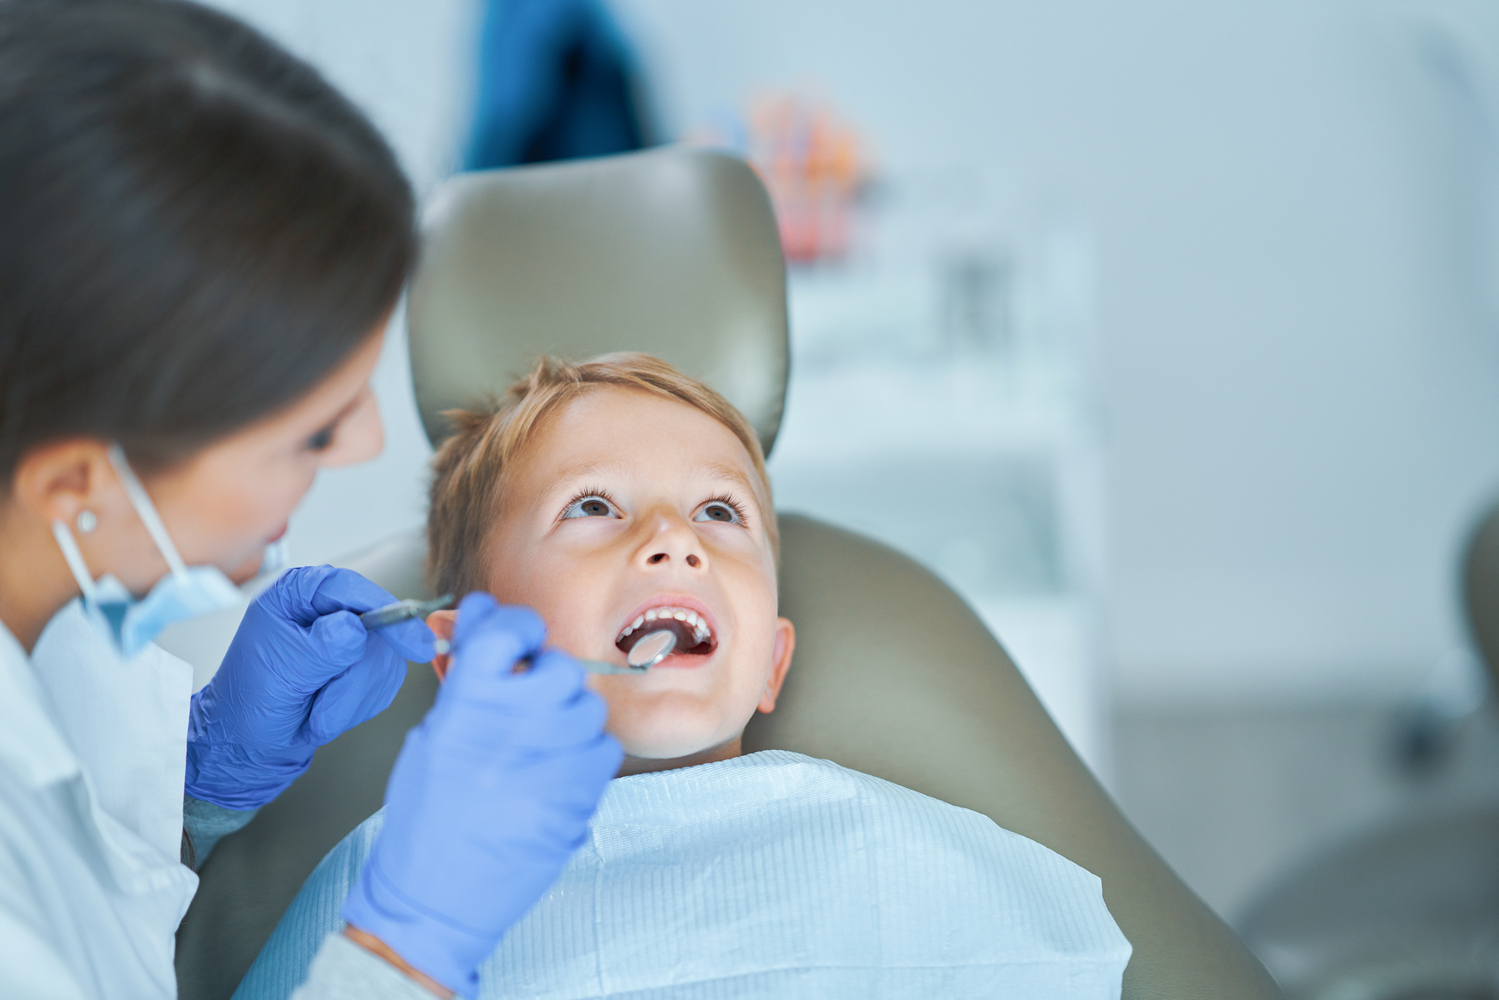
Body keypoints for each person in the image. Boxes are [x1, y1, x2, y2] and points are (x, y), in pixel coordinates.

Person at [0, 2, 619, 998]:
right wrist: (401, 952)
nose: (372, 440)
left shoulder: (51, 634)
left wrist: (198, 771)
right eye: (311, 429)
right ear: (76, 483)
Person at [234, 354, 1133, 999]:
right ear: (463, 651)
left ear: (771, 663)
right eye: (592, 505)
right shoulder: (391, 889)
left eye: (717, 509)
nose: (675, 538)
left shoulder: (926, 865)